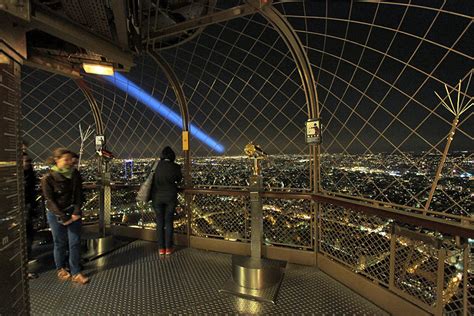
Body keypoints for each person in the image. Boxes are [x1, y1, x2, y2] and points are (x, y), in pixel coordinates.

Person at [41, 148, 89, 284]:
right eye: (65, 159)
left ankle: (75, 272)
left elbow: (80, 194)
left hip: (72, 211)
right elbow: (50, 200)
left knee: (74, 242)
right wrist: (64, 217)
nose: (69, 162)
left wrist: (76, 212)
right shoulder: (48, 178)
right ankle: (61, 268)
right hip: (56, 214)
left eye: (70, 159)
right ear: (57, 160)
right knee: (60, 242)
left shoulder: (75, 174)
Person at [151, 146, 182, 255]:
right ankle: (168, 248)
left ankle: (161, 248)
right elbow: (179, 179)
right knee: (169, 222)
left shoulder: (155, 166)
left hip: (157, 197)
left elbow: (150, 178)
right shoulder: (175, 167)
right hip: (170, 197)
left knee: (159, 222)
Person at [23, 153, 38, 279]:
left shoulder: (29, 175)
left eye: (28, 161)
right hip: (22, 211)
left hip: (28, 210)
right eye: (25, 161)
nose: (27, 163)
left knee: (28, 236)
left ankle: (24, 264)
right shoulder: (26, 176)